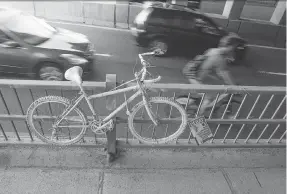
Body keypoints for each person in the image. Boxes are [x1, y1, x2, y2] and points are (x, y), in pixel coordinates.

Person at [182, 37, 237, 116]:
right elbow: (225, 74)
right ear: (230, 47)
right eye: (233, 48)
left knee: (213, 88)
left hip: (195, 74)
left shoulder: (213, 50)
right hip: (196, 77)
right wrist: (233, 86)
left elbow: (210, 68)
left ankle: (199, 106)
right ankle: (198, 117)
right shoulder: (219, 57)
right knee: (209, 97)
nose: (233, 50)